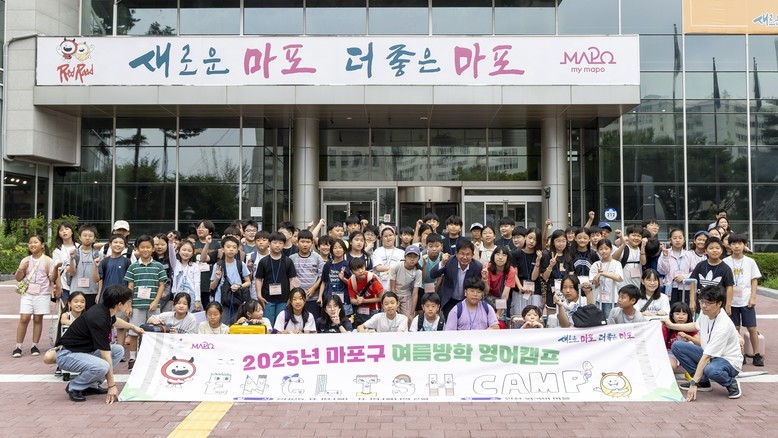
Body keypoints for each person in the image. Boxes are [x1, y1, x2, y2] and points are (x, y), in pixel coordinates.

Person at [55, 284, 141, 403]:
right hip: (68, 356)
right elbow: (106, 356)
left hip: (84, 352)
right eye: (128, 301)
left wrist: (133, 327)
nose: (129, 303)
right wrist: (111, 386)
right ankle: (74, 387)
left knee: (118, 350)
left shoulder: (105, 310)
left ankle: (91, 385)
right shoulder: (99, 319)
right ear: (120, 304)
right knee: (103, 365)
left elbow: (115, 321)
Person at [666, 285, 743, 400]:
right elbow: (695, 326)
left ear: (719, 303)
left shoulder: (722, 326)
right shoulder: (706, 312)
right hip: (710, 355)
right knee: (677, 346)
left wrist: (693, 383)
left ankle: (731, 382)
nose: (703, 306)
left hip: (728, 361)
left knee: (711, 370)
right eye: (702, 301)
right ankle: (703, 382)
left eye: (708, 303)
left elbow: (706, 357)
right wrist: (672, 325)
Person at [124, 235, 168, 370]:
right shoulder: (133, 267)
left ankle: (152, 359)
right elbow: (130, 287)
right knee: (134, 332)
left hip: (153, 306)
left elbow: (162, 285)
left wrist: (156, 301)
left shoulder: (158, 266)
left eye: (148, 247)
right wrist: (129, 305)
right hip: (136, 305)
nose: (145, 250)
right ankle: (133, 358)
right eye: (142, 247)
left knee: (154, 332)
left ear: (153, 248)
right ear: (137, 249)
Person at [724, 233, 764, 366]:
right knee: (735, 328)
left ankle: (757, 354)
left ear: (745, 245)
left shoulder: (750, 262)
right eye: (734, 243)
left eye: (740, 243)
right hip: (731, 301)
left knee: (752, 328)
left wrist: (753, 297)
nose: (736, 246)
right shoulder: (725, 262)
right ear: (729, 246)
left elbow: (754, 280)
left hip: (746, 300)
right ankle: (740, 354)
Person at [13, 235, 56, 358]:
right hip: (27, 294)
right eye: (30, 242)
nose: (32, 244)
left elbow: (52, 278)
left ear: (42, 245)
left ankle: (34, 345)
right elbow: (18, 278)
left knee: (38, 319)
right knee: (24, 318)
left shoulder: (48, 261)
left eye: (35, 242)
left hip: (42, 294)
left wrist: (56, 270)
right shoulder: (25, 260)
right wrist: (21, 269)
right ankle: (18, 346)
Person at [429, 239, 483, 316]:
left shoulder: (477, 267)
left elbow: (478, 286)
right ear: (456, 253)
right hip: (449, 299)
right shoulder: (448, 261)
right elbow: (432, 275)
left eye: (468, 254)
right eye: (462, 254)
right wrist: (442, 263)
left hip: (466, 300)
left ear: (472, 255)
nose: (465, 257)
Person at [255, 232, 299, 326]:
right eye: (275, 242)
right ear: (269, 244)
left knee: (281, 324)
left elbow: (292, 280)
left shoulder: (288, 261)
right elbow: (258, 279)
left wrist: (291, 297)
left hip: (284, 299)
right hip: (267, 299)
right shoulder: (263, 261)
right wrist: (259, 295)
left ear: (284, 244)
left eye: (280, 243)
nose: (277, 245)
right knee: (268, 324)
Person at [688, 237, 734, 316]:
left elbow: (729, 287)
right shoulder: (700, 265)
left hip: (718, 306)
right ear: (705, 251)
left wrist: (728, 305)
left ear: (721, 250)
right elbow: (692, 282)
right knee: (700, 323)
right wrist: (692, 301)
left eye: (717, 248)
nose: (715, 250)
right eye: (711, 248)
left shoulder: (726, 268)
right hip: (701, 305)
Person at [290, 229, 325, 323]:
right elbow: (290, 278)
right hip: (297, 299)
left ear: (312, 243)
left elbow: (322, 276)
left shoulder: (317, 257)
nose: (305, 244)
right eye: (302, 241)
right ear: (297, 242)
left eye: (308, 242)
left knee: (312, 322)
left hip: (313, 297)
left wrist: (314, 288)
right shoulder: (292, 258)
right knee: (297, 322)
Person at [67, 225, 101, 310]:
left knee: (91, 316)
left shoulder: (97, 254)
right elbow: (72, 273)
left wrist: (99, 293)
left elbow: (100, 278)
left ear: (94, 238)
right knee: (76, 316)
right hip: (76, 291)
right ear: (80, 237)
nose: (87, 238)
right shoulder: (74, 253)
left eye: (90, 236)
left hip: (92, 292)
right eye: (85, 235)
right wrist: (71, 259)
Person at [658, 228, 694, 305]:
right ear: (670, 240)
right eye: (675, 238)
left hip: (685, 287)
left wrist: (684, 277)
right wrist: (665, 257)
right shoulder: (665, 252)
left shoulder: (689, 254)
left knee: (684, 309)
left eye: (680, 238)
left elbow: (694, 271)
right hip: (670, 288)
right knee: (671, 309)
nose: (678, 240)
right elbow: (662, 271)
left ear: (684, 239)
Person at [512, 227, 542, 317]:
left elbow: (533, 277)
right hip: (519, 289)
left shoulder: (539, 255)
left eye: (535, 239)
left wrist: (538, 262)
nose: (531, 241)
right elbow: (514, 273)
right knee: (519, 316)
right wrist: (520, 287)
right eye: (530, 238)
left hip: (535, 289)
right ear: (525, 237)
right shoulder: (516, 253)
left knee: (535, 316)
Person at [590, 239, 624, 319]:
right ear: (597, 250)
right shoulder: (596, 264)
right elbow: (594, 284)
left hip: (613, 298)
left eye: (606, 248)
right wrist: (598, 276)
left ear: (611, 249)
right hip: (598, 298)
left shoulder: (616, 263)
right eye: (601, 249)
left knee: (611, 320)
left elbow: (618, 278)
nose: (603, 251)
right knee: (599, 320)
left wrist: (603, 273)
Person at [481, 246, 516, 320]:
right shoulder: (487, 268)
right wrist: (485, 278)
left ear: (507, 258)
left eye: (504, 255)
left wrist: (498, 313)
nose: (500, 257)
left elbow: (505, 295)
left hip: (501, 298)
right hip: (487, 297)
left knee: (500, 319)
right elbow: (486, 291)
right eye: (497, 254)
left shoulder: (511, 271)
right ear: (493, 256)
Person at [347, 257, 384, 327]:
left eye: (362, 268)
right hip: (360, 311)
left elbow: (382, 298)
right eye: (356, 269)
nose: (360, 271)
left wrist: (364, 301)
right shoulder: (351, 281)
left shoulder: (372, 279)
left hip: (374, 310)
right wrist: (357, 301)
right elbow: (352, 300)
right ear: (351, 271)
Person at [390, 245, 423, 323]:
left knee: (407, 320)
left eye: (415, 257)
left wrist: (412, 313)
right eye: (409, 256)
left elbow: (415, 293)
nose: (412, 259)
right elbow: (392, 288)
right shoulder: (396, 266)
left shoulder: (418, 272)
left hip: (407, 296)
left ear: (418, 258)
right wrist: (395, 302)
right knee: (393, 318)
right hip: (394, 294)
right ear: (405, 257)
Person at [663, 302, 699, 370]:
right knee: (670, 367)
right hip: (670, 352)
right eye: (677, 314)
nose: (681, 316)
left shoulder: (690, 328)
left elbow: (700, 343)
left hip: (685, 353)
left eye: (684, 314)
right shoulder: (666, 328)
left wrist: (688, 337)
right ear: (672, 315)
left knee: (691, 343)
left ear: (688, 316)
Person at [168, 238, 201, 312]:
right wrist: (170, 242)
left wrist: (197, 299)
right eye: (184, 250)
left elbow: (197, 283)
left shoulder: (195, 266)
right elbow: (171, 254)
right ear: (179, 251)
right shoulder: (176, 264)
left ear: (193, 253)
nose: (186, 252)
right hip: (178, 296)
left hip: (191, 296)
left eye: (189, 251)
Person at [52, 221, 78, 305]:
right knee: (64, 308)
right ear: (59, 234)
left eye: (66, 229)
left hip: (78, 283)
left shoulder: (79, 247)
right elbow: (57, 269)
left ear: (72, 231)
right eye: (61, 230)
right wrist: (58, 286)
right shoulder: (57, 250)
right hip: (64, 285)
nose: (64, 231)